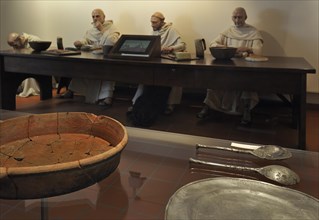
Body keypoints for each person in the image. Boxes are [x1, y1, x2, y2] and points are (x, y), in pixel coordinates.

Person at [197, 7, 263, 125]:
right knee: (214, 81)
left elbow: (258, 51)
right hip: (228, 65)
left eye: (240, 17)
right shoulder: (228, 31)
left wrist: (247, 48)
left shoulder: (253, 31)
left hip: (245, 67)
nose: (237, 20)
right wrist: (227, 48)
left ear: (245, 17)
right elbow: (213, 44)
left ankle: (246, 110)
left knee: (247, 84)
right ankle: (208, 107)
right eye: (235, 17)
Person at [128, 12, 186, 115]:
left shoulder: (171, 30)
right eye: (151, 22)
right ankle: (136, 103)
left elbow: (182, 45)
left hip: (169, 62)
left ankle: (170, 104)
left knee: (175, 78)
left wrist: (171, 48)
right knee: (145, 78)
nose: (152, 25)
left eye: (155, 23)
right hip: (156, 61)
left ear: (162, 21)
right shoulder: (153, 32)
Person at [60, 8, 120, 106]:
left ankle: (107, 97)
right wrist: (80, 42)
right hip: (92, 57)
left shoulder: (112, 28)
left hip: (106, 58)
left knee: (108, 73)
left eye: (97, 16)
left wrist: (102, 29)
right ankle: (71, 91)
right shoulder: (91, 30)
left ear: (104, 17)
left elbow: (111, 41)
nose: (95, 19)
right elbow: (86, 40)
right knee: (81, 69)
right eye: (93, 17)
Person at [7, 32, 41, 97]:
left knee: (28, 72)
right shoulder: (17, 43)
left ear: (20, 39)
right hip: (23, 66)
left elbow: (38, 58)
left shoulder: (34, 41)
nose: (14, 47)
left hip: (37, 66)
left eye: (15, 45)